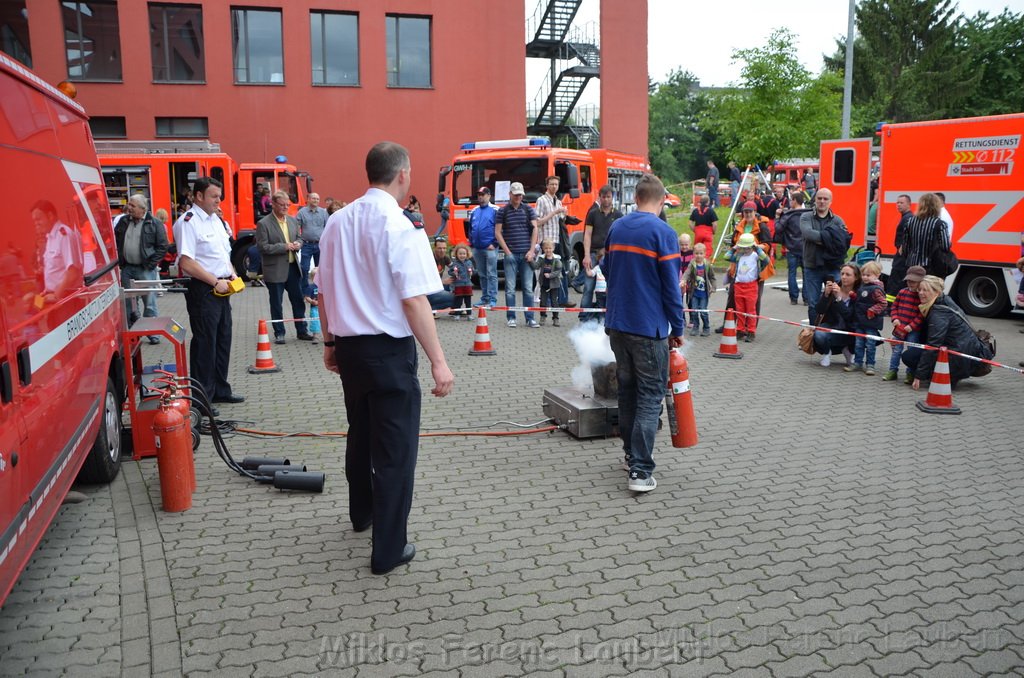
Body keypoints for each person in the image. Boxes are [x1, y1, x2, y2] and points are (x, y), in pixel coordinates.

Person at [316, 141, 454, 576]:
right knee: (395, 452)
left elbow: (323, 288)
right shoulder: (402, 225)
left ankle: (363, 514)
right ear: (403, 174)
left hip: (351, 349)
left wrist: (330, 343)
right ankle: (388, 550)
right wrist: (438, 360)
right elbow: (414, 300)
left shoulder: (336, 221)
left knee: (360, 434)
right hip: (389, 351)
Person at [604, 173, 685, 493]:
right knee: (651, 397)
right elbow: (671, 287)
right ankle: (640, 470)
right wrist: (677, 327)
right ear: (662, 200)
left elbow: (607, 270)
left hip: (617, 325)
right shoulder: (664, 233)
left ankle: (630, 456)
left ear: (635, 198)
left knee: (628, 393)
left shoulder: (617, 227)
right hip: (648, 329)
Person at [174, 177, 244, 409]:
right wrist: (215, 282)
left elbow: (223, 256)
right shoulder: (189, 222)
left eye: (219, 196)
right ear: (199, 196)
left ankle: (220, 389)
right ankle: (202, 397)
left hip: (223, 287)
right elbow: (187, 262)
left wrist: (232, 274)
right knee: (205, 343)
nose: (218, 200)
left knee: (223, 340)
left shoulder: (217, 221)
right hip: (204, 289)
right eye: (214, 196)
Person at [901, 275, 992, 390]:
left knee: (909, 356)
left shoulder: (939, 313)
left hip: (959, 358)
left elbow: (933, 345)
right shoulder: (945, 300)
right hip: (964, 353)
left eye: (925, 290)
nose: (921, 293)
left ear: (936, 292)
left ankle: (947, 377)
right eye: (920, 289)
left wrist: (919, 376)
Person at [256, 191, 314, 344]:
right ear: (273, 204)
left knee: (298, 301)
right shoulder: (264, 223)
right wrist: (284, 246)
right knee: (276, 303)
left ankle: (302, 330)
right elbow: (262, 247)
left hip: (293, 268)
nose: (285, 207)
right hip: (275, 270)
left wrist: (298, 244)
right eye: (282, 205)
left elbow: (300, 238)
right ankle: (279, 333)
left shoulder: (292, 221)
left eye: (287, 205)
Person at [114, 194, 168, 344]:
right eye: (129, 205)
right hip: (127, 269)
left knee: (149, 303)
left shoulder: (154, 223)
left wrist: (151, 264)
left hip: (145, 269)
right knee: (128, 303)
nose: (128, 208)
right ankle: (132, 332)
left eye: (132, 206)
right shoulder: (124, 221)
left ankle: (153, 333)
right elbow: (115, 240)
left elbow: (163, 246)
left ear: (143, 209)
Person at [800, 188, 849, 324]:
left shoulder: (838, 220)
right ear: (815, 200)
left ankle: (835, 332)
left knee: (836, 298)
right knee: (813, 303)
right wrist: (830, 238)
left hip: (833, 267)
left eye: (825, 199)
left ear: (831, 202)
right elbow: (808, 234)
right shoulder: (806, 217)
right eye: (819, 198)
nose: (822, 201)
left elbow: (844, 240)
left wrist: (821, 239)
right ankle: (813, 335)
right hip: (812, 267)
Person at [494, 181, 539, 328]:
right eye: (516, 194)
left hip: (526, 255)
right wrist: (507, 252)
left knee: (527, 288)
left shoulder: (528, 209)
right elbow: (497, 232)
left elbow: (535, 230)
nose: (518, 197)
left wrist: (532, 251)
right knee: (510, 289)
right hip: (511, 255)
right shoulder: (503, 211)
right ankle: (511, 317)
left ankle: (530, 318)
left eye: (520, 194)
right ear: (510, 194)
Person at [581, 185, 621, 321]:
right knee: (588, 286)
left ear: (612, 198)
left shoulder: (618, 215)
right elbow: (587, 234)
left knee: (611, 286)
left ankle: (610, 316)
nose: (606, 200)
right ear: (600, 197)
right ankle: (584, 316)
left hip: (611, 255)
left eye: (608, 197)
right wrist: (586, 255)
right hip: (593, 253)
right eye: (603, 197)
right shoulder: (593, 214)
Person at [844, 260, 887, 375]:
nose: (865, 277)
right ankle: (857, 363)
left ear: (877, 275)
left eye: (868, 275)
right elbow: (862, 300)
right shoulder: (864, 286)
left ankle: (870, 365)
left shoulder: (876, 289)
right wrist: (854, 296)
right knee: (858, 344)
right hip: (860, 322)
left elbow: (883, 303)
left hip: (871, 323)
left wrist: (872, 310)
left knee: (870, 344)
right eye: (863, 275)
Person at [884, 265, 926, 382]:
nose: (910, 283)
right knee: (896, 350)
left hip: (913, 330)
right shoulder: (902, 292)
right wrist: (895, 319)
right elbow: (894, 307)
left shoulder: (921, 296)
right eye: (908, 280)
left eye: (913, 281)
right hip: (899, 328)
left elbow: (921, 315)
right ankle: (892, 371)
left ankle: (910, 373)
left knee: (911, 351)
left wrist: (911, 326)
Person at [814, 263, 860, 368]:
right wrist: (825, 295)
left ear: (856, 277)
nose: (844, 277)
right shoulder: (834, 288)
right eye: (842, 273)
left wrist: (839, 298)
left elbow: (849, 316)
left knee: (866, 333)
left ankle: (849, 350)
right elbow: (819, 310)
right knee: (819, 334)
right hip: (834, 325)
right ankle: (827, 353)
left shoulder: (859, 293)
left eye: (848, 275)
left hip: (851, 328)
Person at [725, 232, 770, 341]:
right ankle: (740, 330)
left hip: (751, 286)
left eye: (747, 248)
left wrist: (757, 248)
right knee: (739, 310)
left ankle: (751, 331)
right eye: (743, 248)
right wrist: (734, 248)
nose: (745, 250)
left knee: (750, 311)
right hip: (739, 285)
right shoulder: (739, 255)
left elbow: (766, 260)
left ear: (752, 247)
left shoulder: (756, 256)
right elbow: (726, 257)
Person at [535, 175, 569, 306]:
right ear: (547, 185)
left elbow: (560, 221)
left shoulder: (558, 201)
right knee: (544, 272)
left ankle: (558, 300)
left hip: (557, 240)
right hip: (546, 242)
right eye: (552, 184)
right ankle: (542, 300)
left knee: (557, 272)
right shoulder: (541, 200)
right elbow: (537, 222)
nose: (554, 186)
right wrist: (554, 213)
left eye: (556, 184)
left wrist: (564, 215)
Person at [902, 192, 951, 276]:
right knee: (927, 288)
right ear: (936, 206)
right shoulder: (940, 224)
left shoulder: (910, 222)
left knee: (914, 287)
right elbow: (945, 247)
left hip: (912, 264)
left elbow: (905, 246)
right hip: (931, 265)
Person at [775, 190, 810, 305]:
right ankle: (806, 298)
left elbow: (779, 229)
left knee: (792, 273)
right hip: (806, 248)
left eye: (791, 200)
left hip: (791, 248)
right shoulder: (809, 215)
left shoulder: (789, 215)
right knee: (806, 274)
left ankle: (794, 298)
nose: (790, 202)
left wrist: (777, 217)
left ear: (795, 201)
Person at [468, 186, 498, 308]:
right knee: (482, 274)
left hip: (490, 247)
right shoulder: (474, 210)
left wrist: (495, 243)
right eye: (479, 195)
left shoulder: (495, 210)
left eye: (483, 195)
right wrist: (472, 243)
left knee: (491, 274)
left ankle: (493, 299)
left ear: (489, 196)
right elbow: (470, 228)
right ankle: (484, 298)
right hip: (477, 248)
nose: (480, 197)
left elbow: (500, 228)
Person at [295, 192, 327, 301]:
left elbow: (327, 227)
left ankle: (321, 291)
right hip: (306, 244)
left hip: (320, 245)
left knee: (321, 268)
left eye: (317, 199)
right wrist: (298, 240)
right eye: (313, 198)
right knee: (304, 268)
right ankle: (305, 292)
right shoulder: (301, 213)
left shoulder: (323, 212)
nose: (316, 201)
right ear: (308, 199)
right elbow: (296, 227)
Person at [681, 242, 716, 336]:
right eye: (696, 253)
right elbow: (687, 273)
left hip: (704, 294)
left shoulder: (707, 265)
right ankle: (695, 327)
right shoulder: (692, 264)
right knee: (694, 311)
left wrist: (713, 287)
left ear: (704, 254)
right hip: (694, 293)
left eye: (701, 253)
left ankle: (706, 327)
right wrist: (683, 280)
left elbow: (712, 277)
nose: (698, 256)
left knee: (703, 311)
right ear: (693, 254)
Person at [886, 194, 915, 296]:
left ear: (909, 204)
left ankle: (890, 307)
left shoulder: (908, 218)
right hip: (903, 259)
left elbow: (909, 237)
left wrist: (902, 246)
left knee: (895, 284)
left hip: (902, 260)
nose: (898, 205)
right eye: (897, 202)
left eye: (901, 203)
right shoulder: (907, 217)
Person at [531, 238, 563, 327]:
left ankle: (556, 318)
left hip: (554, 284)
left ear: (553, 248)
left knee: (554, 302)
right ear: (543, 249)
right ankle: (543, 316)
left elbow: (558, 271)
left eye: (550, 248)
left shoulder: (557, 259)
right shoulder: (541, 259)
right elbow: (536, 266)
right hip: (544, 284)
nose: (548, 250)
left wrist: (550, 275)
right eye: (546, 248)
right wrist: (531, 260)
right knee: (543, 302)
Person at [447, 244, 474, 318]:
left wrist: (471, 271)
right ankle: (457, 314)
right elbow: (450, 272)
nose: (462, 255)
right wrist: (454, 273)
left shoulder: (469, 262)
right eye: (460, 254)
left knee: (468, 301)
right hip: (458, 285)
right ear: (456, 254)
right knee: (458, 300)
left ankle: (469, 314)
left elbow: (473, 270)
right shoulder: (455, 263)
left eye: (464, 254)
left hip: (468, 284)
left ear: (467, 254)